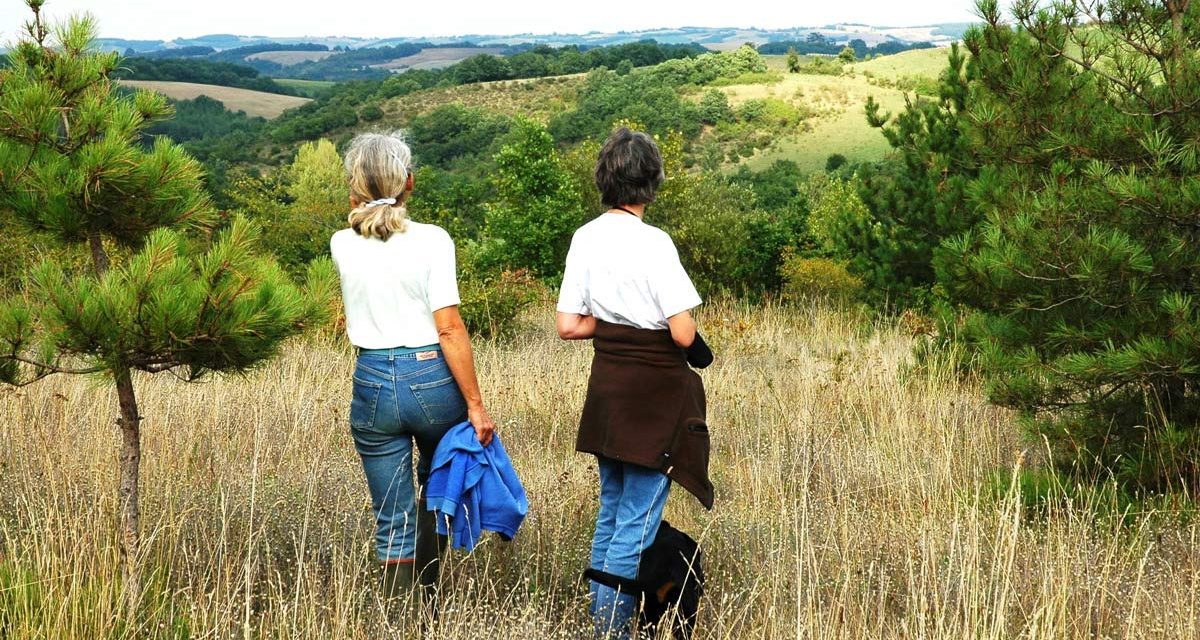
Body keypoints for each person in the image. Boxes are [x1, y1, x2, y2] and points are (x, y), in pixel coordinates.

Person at [557, 127, 714, 639]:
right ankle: (613, 634)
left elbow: (568, 325)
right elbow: (682, 329)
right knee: (637, 525)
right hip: (654, 399)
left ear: (606, 180)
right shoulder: (655, 243)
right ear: (651, 182)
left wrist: (613, 323)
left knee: (612, 513)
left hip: (608, 392)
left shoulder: (584, 236)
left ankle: (603, 624)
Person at [330, 132, 497, 607]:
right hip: (431, 376)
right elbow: (449, 329)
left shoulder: (341, 243)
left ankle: (400, 619)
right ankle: (428, 605)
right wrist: (476, 406)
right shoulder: (434, 241)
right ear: (410, 182)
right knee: (438, 487)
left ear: (354, 186)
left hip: (373, 378)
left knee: (392, 517)